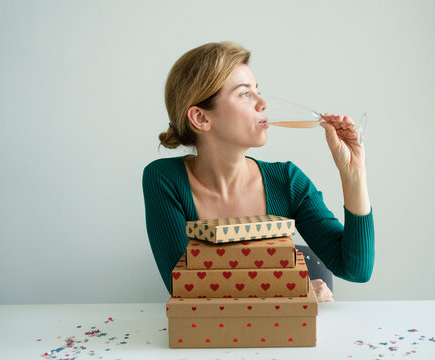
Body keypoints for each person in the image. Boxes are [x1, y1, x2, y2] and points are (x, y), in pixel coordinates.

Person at [142, 41, 374, 303]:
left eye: (257, 91)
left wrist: (353, 171)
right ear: (201, 118)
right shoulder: (163, 179)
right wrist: (293, 287)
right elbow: (181, 285)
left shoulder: (287, 181)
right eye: (245, 94)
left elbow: (356, 269)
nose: (263, 103)